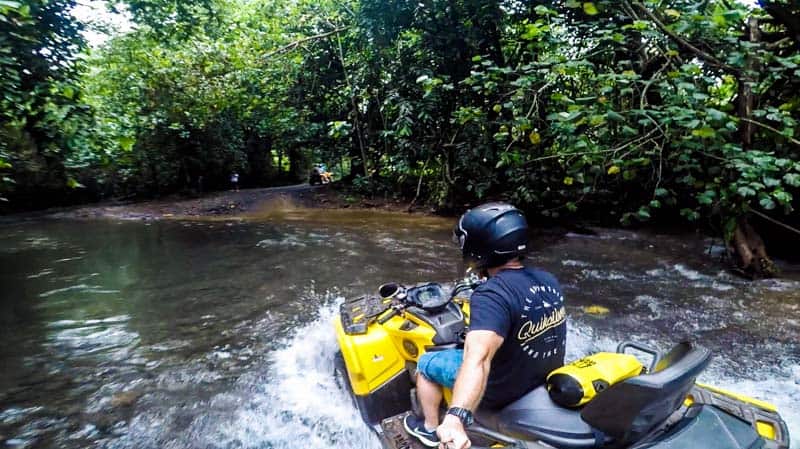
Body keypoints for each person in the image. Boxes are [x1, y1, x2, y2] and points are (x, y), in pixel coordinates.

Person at [403, 202, 567, 449]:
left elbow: (477, 360)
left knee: (426, 363)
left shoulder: (492, 294)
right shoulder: (547, 279)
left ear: (480, 246)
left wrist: (456, 418)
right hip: (541, 378)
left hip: (501, 391)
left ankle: (429, 428)